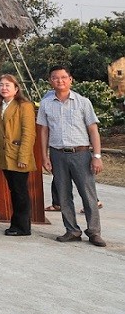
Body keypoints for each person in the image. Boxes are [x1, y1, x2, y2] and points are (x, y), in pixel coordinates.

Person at [37, 65, 105, 247]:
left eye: (63, 77)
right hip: (58, 154)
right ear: (50, 81)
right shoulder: (46, 103)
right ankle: (72, 230)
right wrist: (44, 156)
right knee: (64, 195)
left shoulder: (83, 102)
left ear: (70, 79)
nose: (60, 81)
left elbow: (93, 130)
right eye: (55, 78)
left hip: (81, 154)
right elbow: (43, 131)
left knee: (88, 194)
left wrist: (96, 155)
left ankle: (94, 232)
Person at [0, 74, 35, 236]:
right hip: (4, 155)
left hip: (18, 155)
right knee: (13, 190)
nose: (4, 88)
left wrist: (23, 157)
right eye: (1, 85)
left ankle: (23, 227)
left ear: (16, 89)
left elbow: (29, 133)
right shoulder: (0, 105)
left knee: (20, 192)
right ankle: (15, 224)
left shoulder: (24, 105)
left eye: (8, 85)